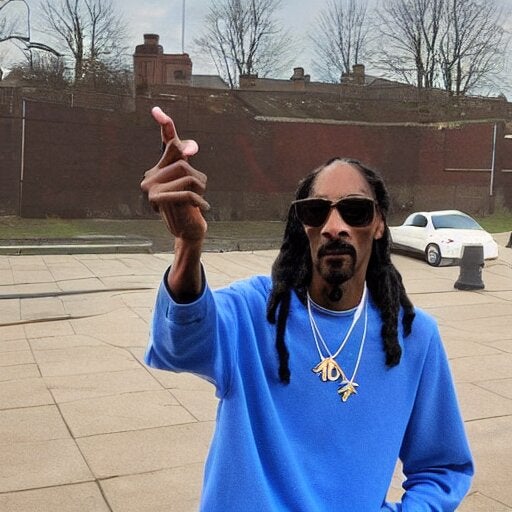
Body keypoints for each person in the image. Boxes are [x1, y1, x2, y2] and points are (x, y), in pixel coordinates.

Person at [141, 106, 474, 511]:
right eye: (317, 211)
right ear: (304, 225)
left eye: (355, 210)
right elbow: (178, 345)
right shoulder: (253, 313)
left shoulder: (414, 337)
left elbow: (442, 467)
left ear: (379, 224)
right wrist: (188, 244)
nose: (335, 226)